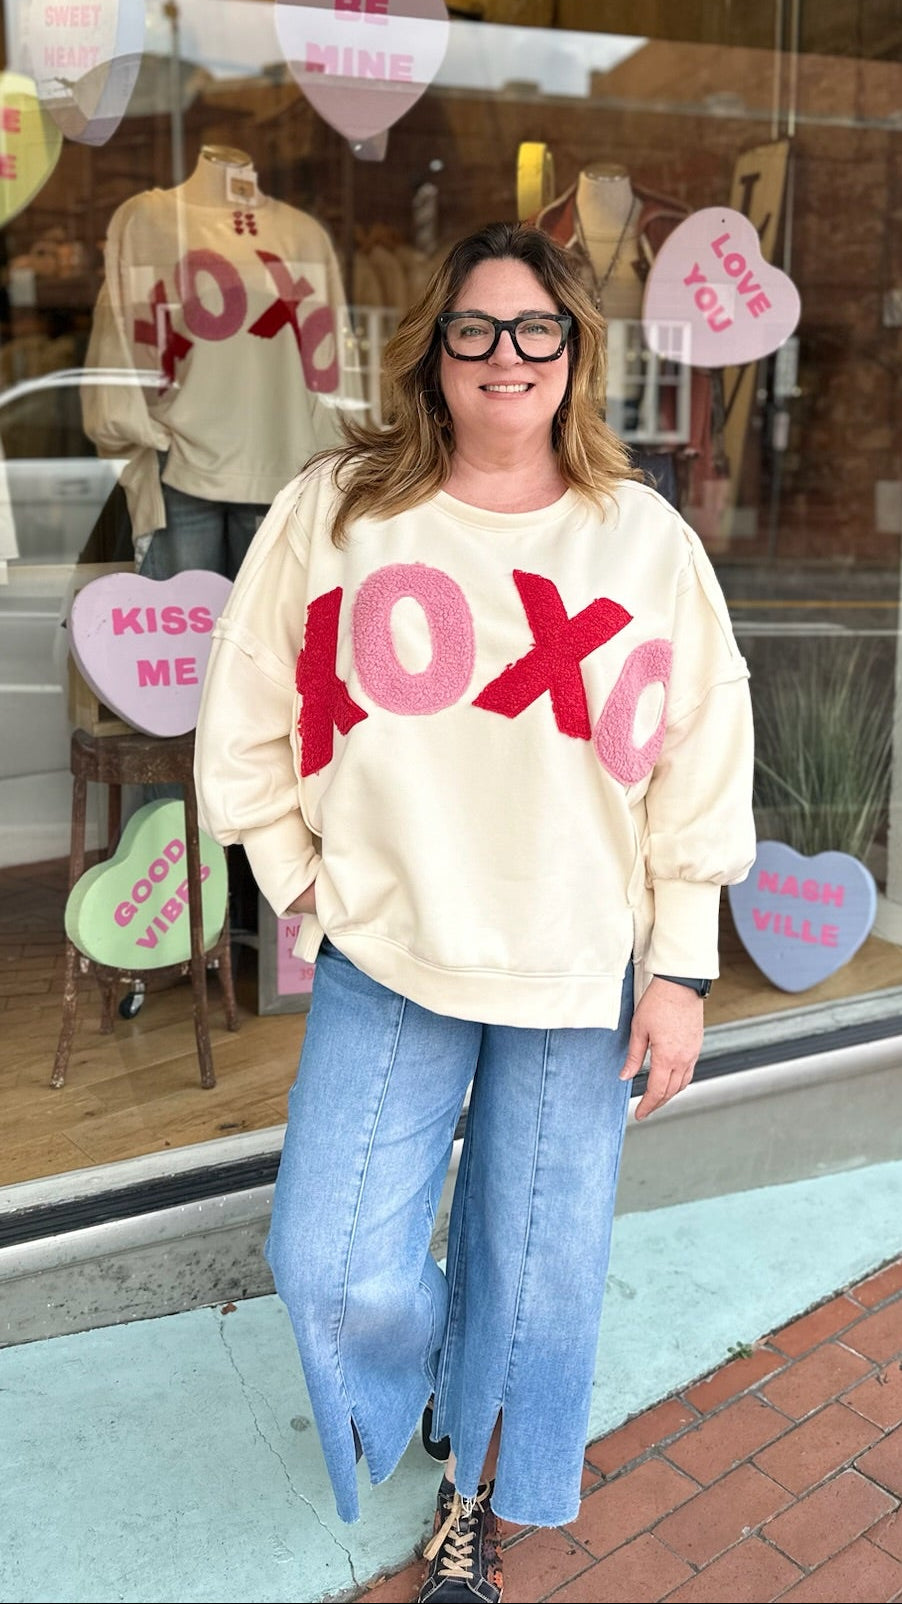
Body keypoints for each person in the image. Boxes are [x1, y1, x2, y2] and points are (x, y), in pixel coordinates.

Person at [193, 220, 756, 1603]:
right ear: (432, 352)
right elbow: (245, 706)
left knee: (540, 1270)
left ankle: (471, 1495)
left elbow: (699, 757)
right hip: (390, 951)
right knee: (328, 1264)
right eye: (475, 328)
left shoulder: (643, 539)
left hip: (575, 969)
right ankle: (441, 1370)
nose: (507, 355)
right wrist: (296, 876)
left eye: (536, 328)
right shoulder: (337, 512)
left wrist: (679, 970)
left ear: (575, 351)